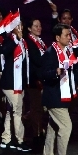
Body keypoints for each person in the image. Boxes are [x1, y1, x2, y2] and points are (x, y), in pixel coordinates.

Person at [38, 23, 78, 155]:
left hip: (63, 95)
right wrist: (56, 71)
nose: (69, 37)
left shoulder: (68, 51)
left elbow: (75, 72)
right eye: (66, 35)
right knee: (66, 126)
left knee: (53, 128)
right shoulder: (50, 52)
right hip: (54, 96)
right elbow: (43, 74)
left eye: (69, 35)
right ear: (57, 37)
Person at [0, 19, 30, 151]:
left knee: (9, 111)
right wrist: (15, 40)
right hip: (10, 83)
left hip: (19, 83)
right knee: (17, 111)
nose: (19, 28)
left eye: (21, 25)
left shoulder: (23, 42)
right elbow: (5, 51)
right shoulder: (9, 40)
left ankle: (6, 139)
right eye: (16, 26)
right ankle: (19, 141)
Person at [23, 18, 47, 147]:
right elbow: (38, 60)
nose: (39, 28)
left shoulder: (40, 41)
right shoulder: (29, 42)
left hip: (42, 78)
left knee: (39, 108)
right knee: (37, 108)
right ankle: (36, 135)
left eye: (40, 25)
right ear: (29, 28)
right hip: (34, 79)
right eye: (36, 26)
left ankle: (27, 120)